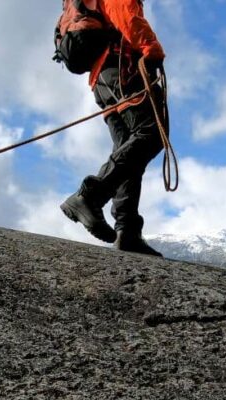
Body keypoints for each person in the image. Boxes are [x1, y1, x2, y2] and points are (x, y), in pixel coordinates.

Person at [58, 0, 167, 257]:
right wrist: (151, 48)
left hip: (102, 81)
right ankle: (90, 196)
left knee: (127, 149)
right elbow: (126, 13)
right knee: (151, 133)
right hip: (122, 67)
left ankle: (127, 231)